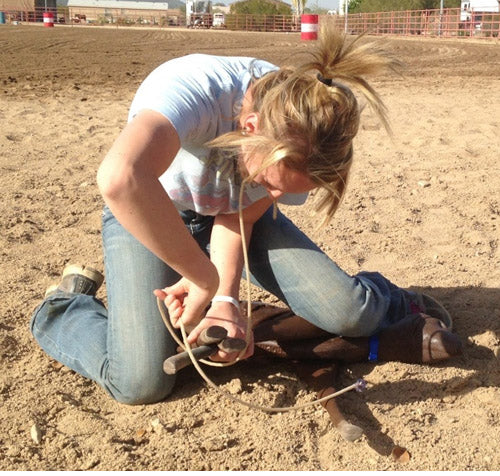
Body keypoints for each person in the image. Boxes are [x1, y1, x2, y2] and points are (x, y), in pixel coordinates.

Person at [30, 27, 453, 405]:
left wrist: (225, 302)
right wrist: (203, 278)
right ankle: (63, 306)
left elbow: (239, 218)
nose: (272, 194)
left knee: (349, 314)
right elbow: (122, 179)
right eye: (271, 183)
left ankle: (394, 298)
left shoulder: (306, 124)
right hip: (151, 213)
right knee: (140, 382)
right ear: (250, 126)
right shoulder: (193, 88)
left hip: (224, 222)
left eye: (286, 192)